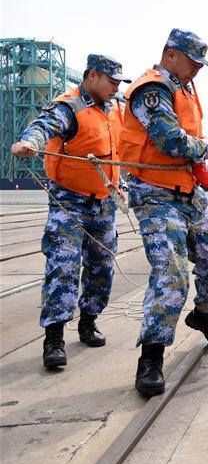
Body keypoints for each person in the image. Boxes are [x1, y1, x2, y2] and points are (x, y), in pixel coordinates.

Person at [120, 29, 208, 396]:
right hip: (156, 194)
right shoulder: (152, 90)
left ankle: (203, 316)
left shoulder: (185, 88)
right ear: (170, 55)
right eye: (192, 62)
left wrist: (201, 149)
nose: (197, 70)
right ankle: (151, 358)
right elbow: (171, 141)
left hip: (188, 191)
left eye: (200, 64)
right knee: (171, 275)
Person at [10, 55, 131, 369]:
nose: (116, 87)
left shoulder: (115, 109)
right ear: (92, 76)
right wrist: (29, 142)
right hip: (70, 202)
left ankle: (88, 322)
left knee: (102, 267)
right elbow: (43, 126)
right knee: (63, 267)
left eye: (119, 83)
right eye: (112, 81)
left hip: (104, 202)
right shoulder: (69, 106)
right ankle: (54, 339)